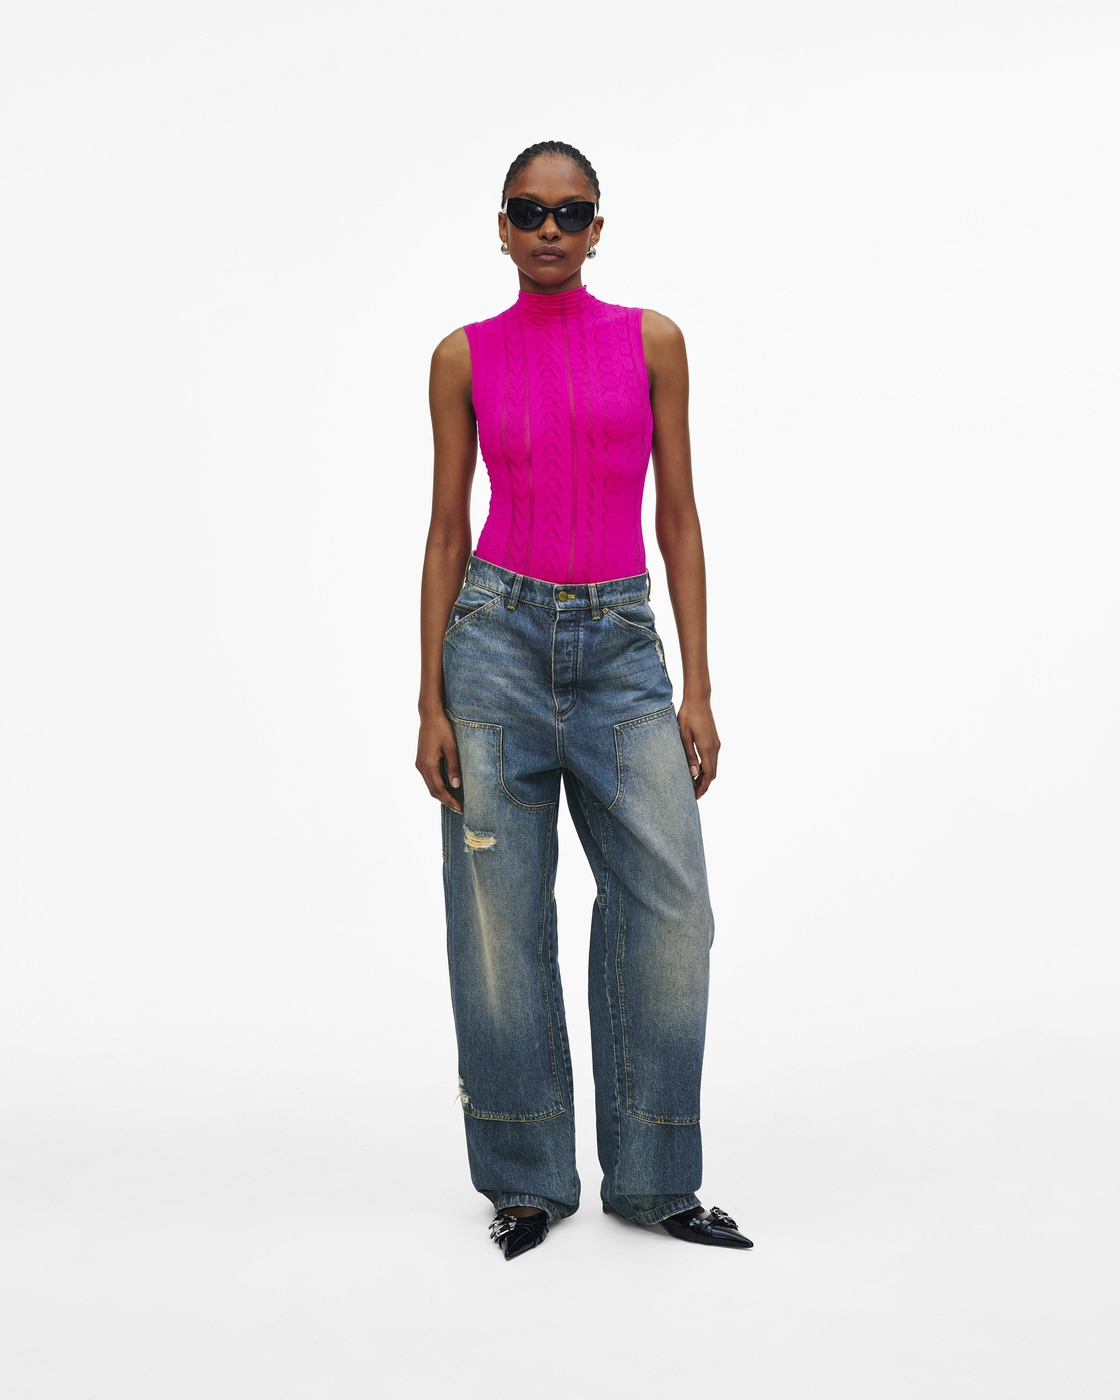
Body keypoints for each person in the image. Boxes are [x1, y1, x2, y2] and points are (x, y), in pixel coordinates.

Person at [416, 140, 751, 1260]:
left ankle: (654, 1181)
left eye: (570, 213)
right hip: (493, 645)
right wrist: (429, 702)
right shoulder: (461, 356)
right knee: (499, 920)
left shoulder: (652, 340)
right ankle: (526, 1180)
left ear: (599, 227)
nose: (548, 230)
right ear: (501, 227)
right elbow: (446, 530)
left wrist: (697, 686)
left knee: (672, 905)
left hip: (619, 645)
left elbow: (680, 518)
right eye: (528, 211)